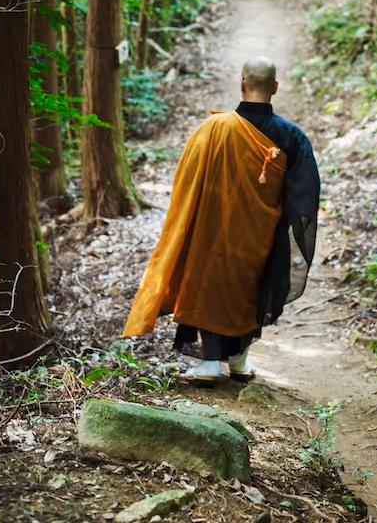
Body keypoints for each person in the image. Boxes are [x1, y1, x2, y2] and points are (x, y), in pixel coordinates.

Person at [122, 55, 321, 383]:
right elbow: (304, 194)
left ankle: (211, 362)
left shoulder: (212, 129)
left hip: (212, 232)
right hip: (261, 234)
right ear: (274, 88)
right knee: (251, 289)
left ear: (242, 84)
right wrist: (274, 218)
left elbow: (186, 184)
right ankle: (239, 361)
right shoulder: (293, 136)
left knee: (210, 287)